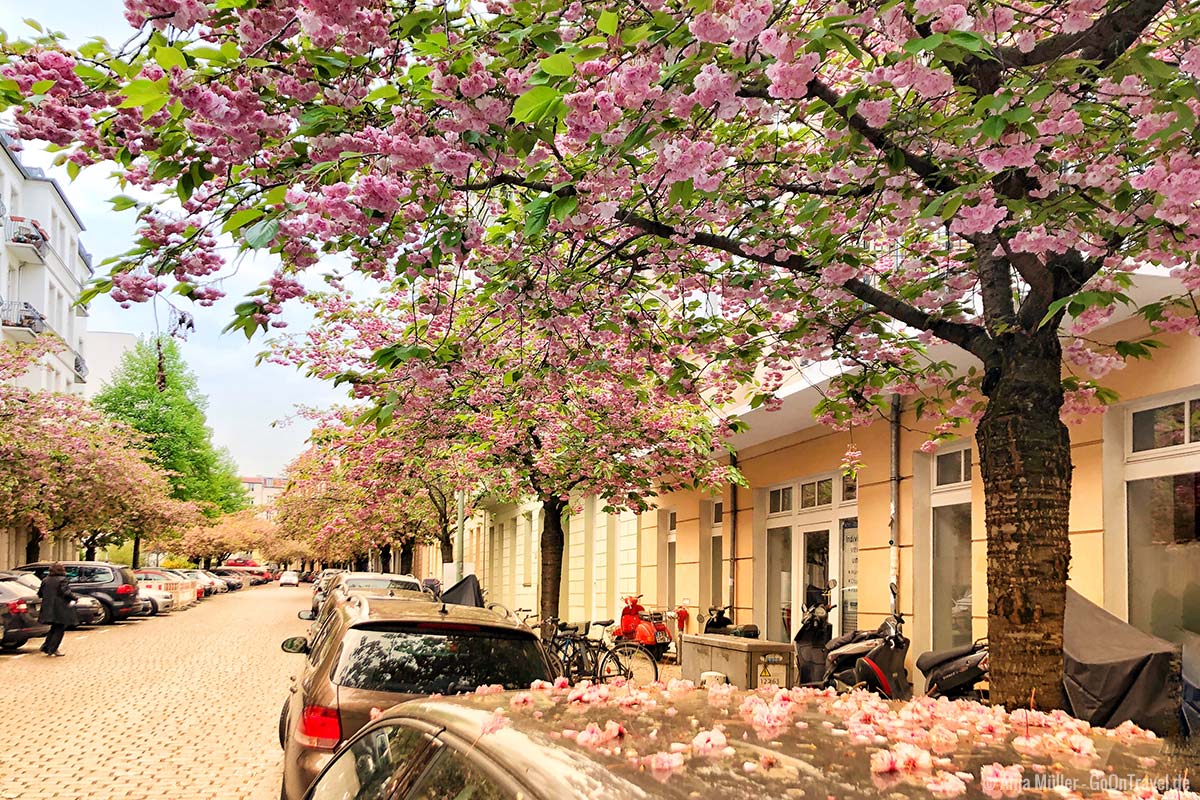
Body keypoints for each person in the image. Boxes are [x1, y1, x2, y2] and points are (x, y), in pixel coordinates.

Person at [37, 562, 79, 657]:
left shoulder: (45, 580)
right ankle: (53, 648)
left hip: (48, 607)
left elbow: (40, 593)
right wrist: (75, 598)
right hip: (60, 608)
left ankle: (46, 646)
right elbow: (66, 592)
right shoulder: (63, 580)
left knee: (54, 627)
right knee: (59, 628)